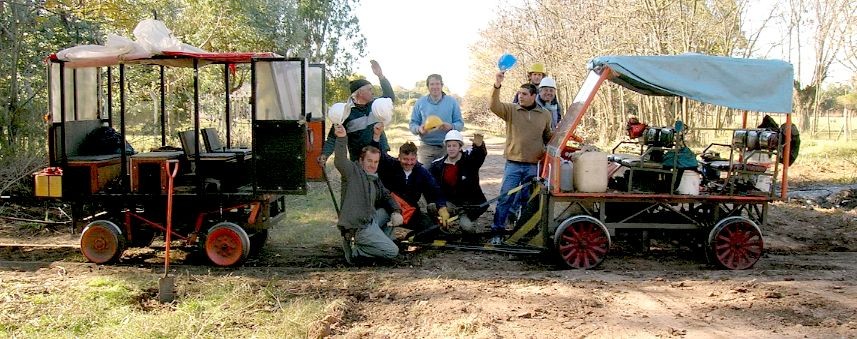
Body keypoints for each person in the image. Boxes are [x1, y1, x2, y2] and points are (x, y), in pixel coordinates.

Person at [489, 71, 553, 245]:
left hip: (534, 166)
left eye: (524, 94)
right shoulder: (511, 109)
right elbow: (494, 106)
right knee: (505, 198)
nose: (520, 96)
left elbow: (548, 136)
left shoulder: (545, 114)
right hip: (513, 164)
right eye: (519, 93)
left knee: (528, 201)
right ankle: (497, 232)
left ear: (534, 96)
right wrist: (497, 85)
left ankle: (522, 233)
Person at [332, 124, 403, 263]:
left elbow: (386, 195)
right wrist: (341, 138)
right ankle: (356, 250)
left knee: (388, 212)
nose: (373, 165)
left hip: (371, 220)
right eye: (369, 161)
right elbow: (339, 160)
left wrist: (396, 211)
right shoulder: (352, 172)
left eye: (376, 162)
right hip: (359, 227)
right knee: (393, 252)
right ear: (360, 160)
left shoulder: (374, 177)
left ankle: (376, 242)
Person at [370, 124, 450, 239]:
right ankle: (384, 236)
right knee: (376, 227)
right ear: (399, 157)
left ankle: (408, 236)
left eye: (412, 159)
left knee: (432, 229)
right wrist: (376, 136)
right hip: (389, 209)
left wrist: (442, 207)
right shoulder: (390, 165)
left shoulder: (421, 172)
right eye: (405, 159)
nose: (408, 163)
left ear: (416, 158)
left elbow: (435, 189)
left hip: (410, 211)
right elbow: (377, 153)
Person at [320, 60, 395, 163]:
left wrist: (380, 76)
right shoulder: (344, 112)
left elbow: (390, 98)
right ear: (360, 93)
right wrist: (325, 155)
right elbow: (333, 137)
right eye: (369, 89)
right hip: (359, 160)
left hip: (380, 155)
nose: (372, 92)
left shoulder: (376, 105)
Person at [429, 130, 488, 233]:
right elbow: (434, 189)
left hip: (469, 207)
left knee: (467, 228)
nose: (451, 149)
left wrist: (479, 146)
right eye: (449, 146)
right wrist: (442, 206)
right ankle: (442, 227)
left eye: (454, 146)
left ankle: (469, 224)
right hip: (450, 204)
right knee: (432, 207)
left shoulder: (469, 161)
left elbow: (479, 156)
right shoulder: (437, 166)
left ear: (460, 147)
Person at [409, 74, 464, 165]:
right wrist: (419, 129)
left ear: (442, 86)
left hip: (447, 147)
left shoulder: (452, 102)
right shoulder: (420, 102)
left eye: (437, 84)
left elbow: (460, 123)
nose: (435, 87)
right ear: (428, 86)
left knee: (446, 177)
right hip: (426, 147)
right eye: (432, 84)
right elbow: (412, 124)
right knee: (424, 176)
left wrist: (451, 127)